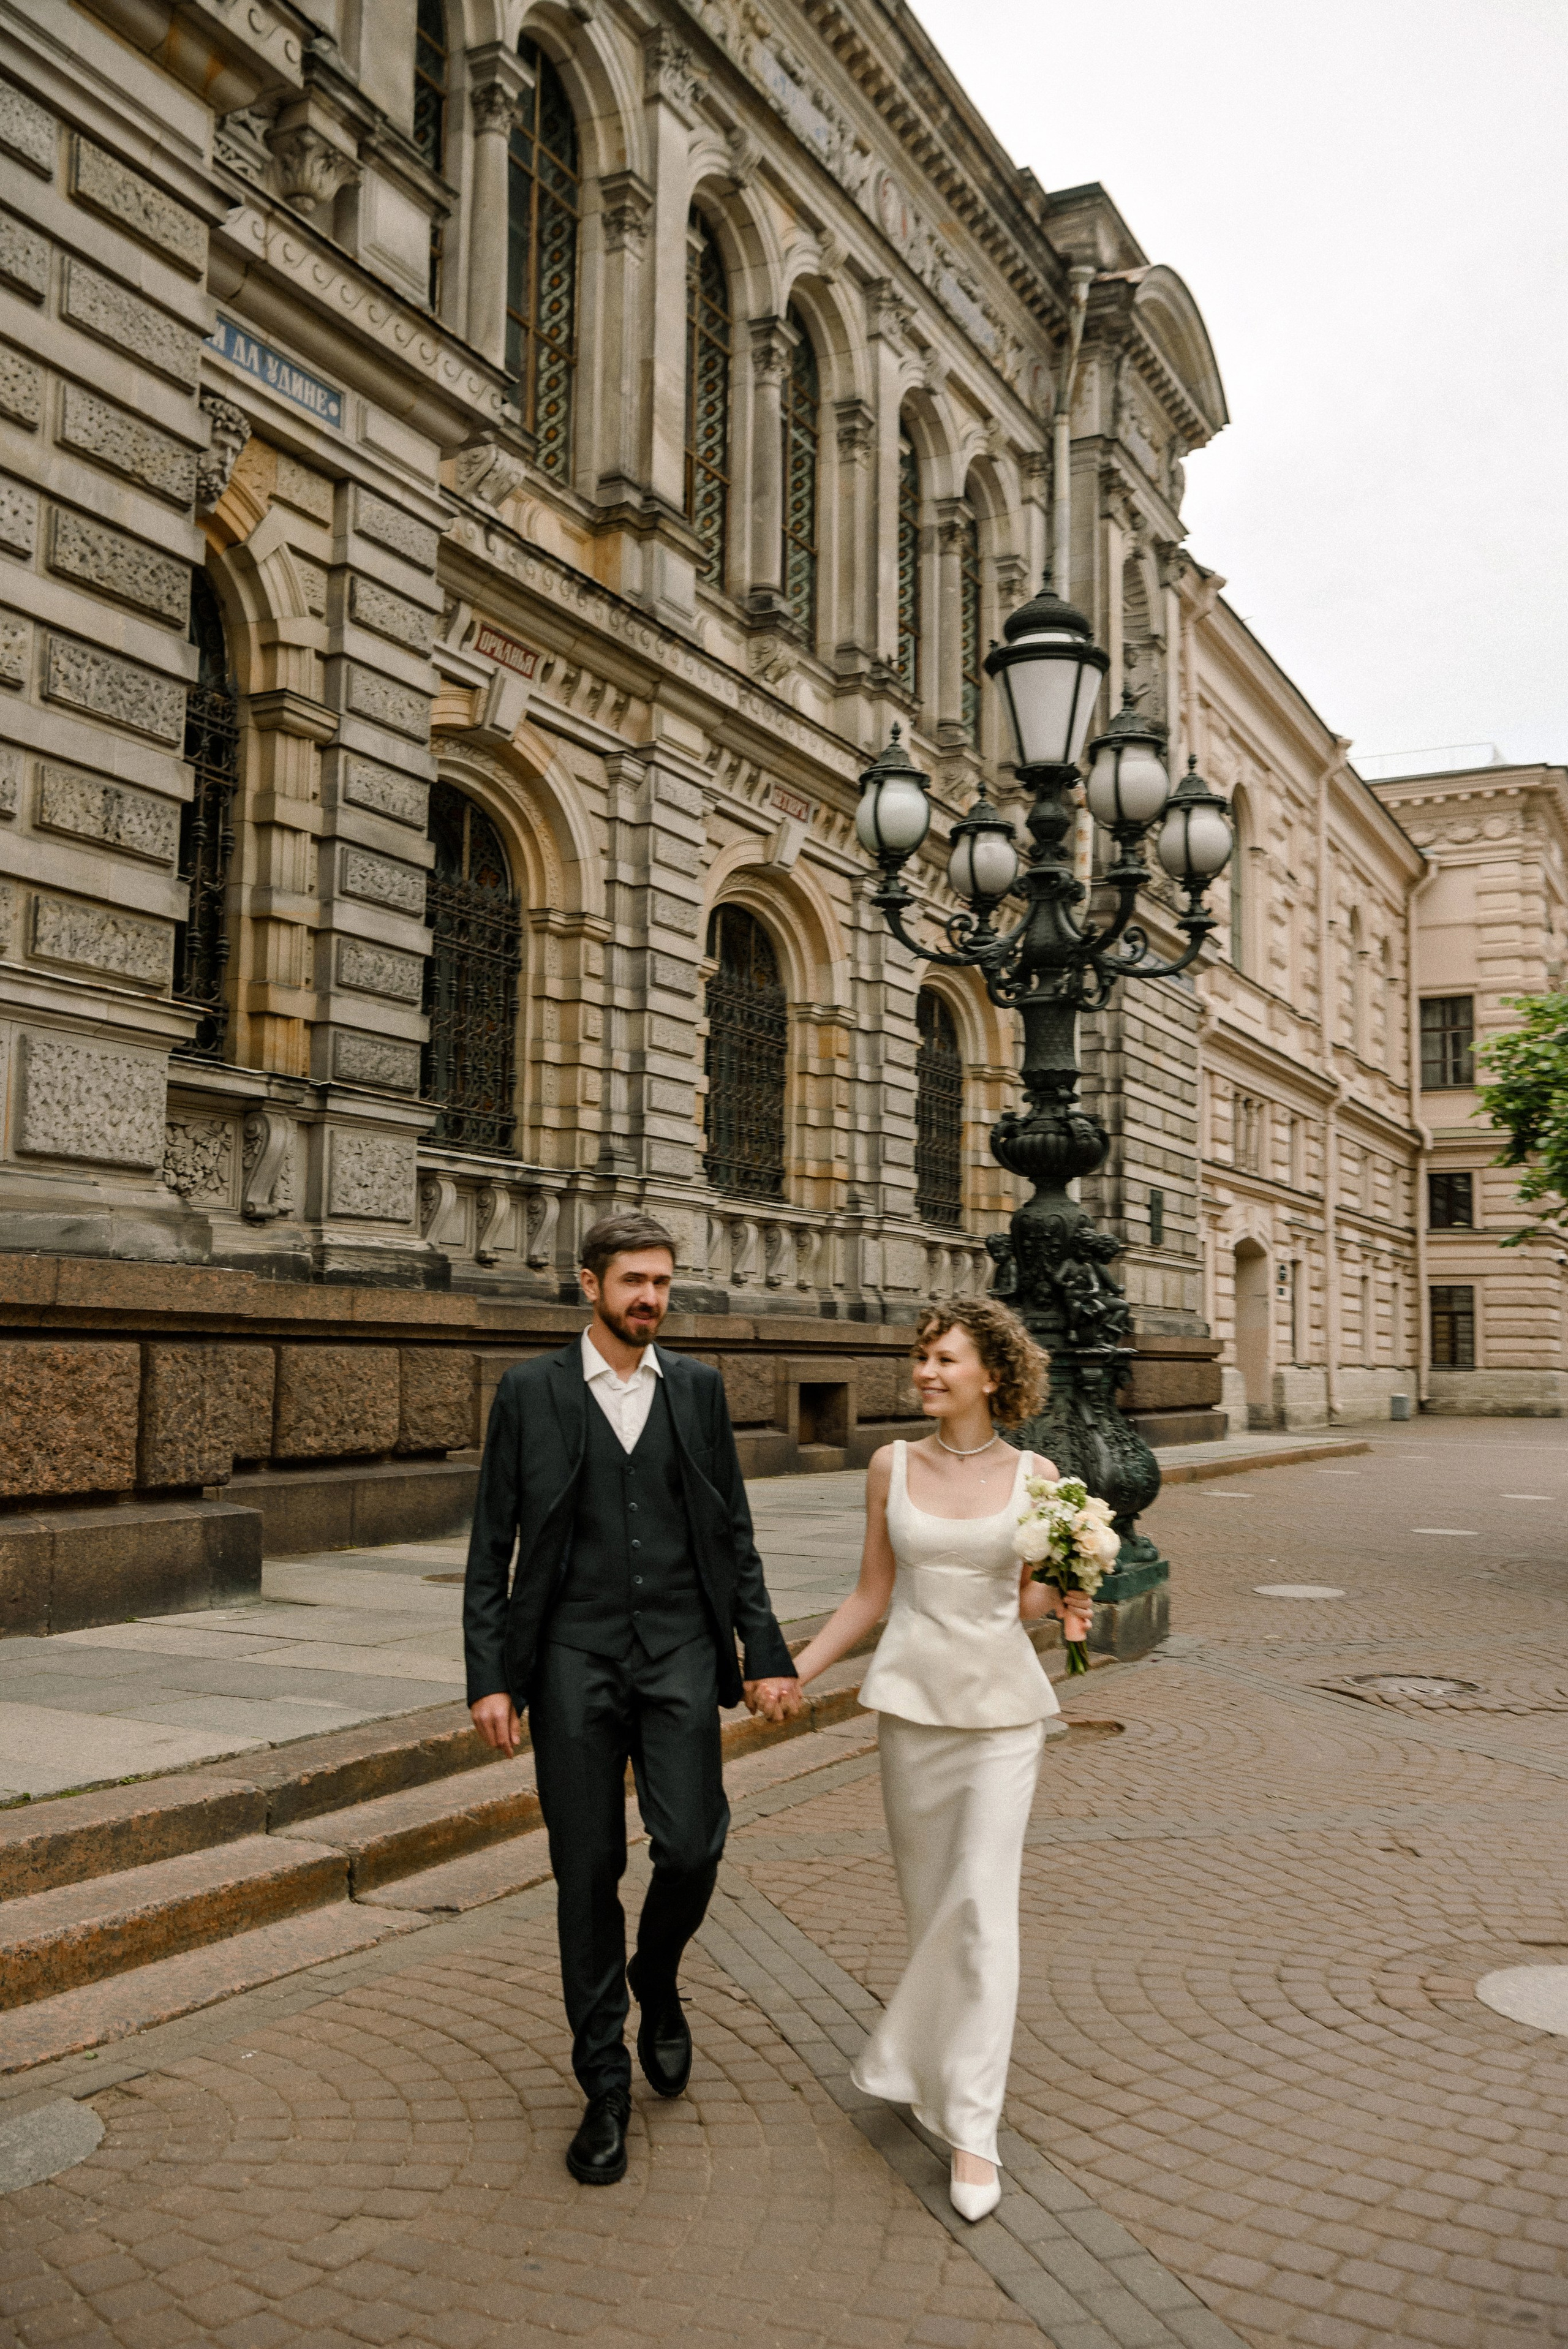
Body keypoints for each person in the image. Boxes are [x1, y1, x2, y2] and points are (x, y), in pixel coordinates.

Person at [463, 1212, 801, 2187]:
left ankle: (658, 1975)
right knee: (587, 1869)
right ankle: (603, 2085)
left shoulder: (696, 1389)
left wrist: (764, 1651)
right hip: (571, 1656)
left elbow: (733, 1531)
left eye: (661, 1282)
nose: (650, 1298)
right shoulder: (531, 1392)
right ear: (589, 1286)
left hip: (682, 1654)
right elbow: (492, 1544)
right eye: (632, 1283)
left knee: (693, 1843)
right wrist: (491, 1674)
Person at [789, 1297, 1090, 2223]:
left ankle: (973, 2131)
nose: (926, 1372)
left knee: (982, 1912)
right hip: (913, 1713)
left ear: (992, 1375)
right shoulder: (890, 1466)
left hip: (1001, 1716)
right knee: (933, 1912)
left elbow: (1032, 1604)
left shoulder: (1039, 1475)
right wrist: (786, 1672)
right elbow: (871, 1594)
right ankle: (926, 2070)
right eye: (922, 1357)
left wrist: (1076, 1580)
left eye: (945, 1358)